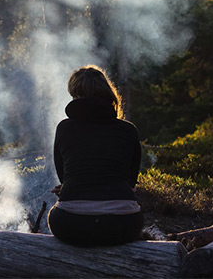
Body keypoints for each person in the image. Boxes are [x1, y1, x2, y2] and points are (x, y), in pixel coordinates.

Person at [47, 65, 143, 246]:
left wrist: (74, 186)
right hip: (124, 223)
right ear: (108, 94)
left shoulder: (64, 128)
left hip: (72, 223)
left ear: (75, 95)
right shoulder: (128, 130)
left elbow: (64, 177)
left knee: (55, 215)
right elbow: (131, 183)